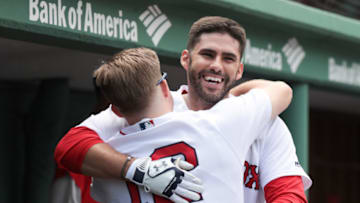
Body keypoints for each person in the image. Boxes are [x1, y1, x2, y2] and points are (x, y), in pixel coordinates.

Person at [55, 16, 312, 202]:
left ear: (239, 70)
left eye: (228, 58)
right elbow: (71, 145)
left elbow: (287, 193)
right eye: (208, 54)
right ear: (186, 59)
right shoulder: (148, 106)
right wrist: (134, 168)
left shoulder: (265, 123)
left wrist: (136, 170)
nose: (217, 65)